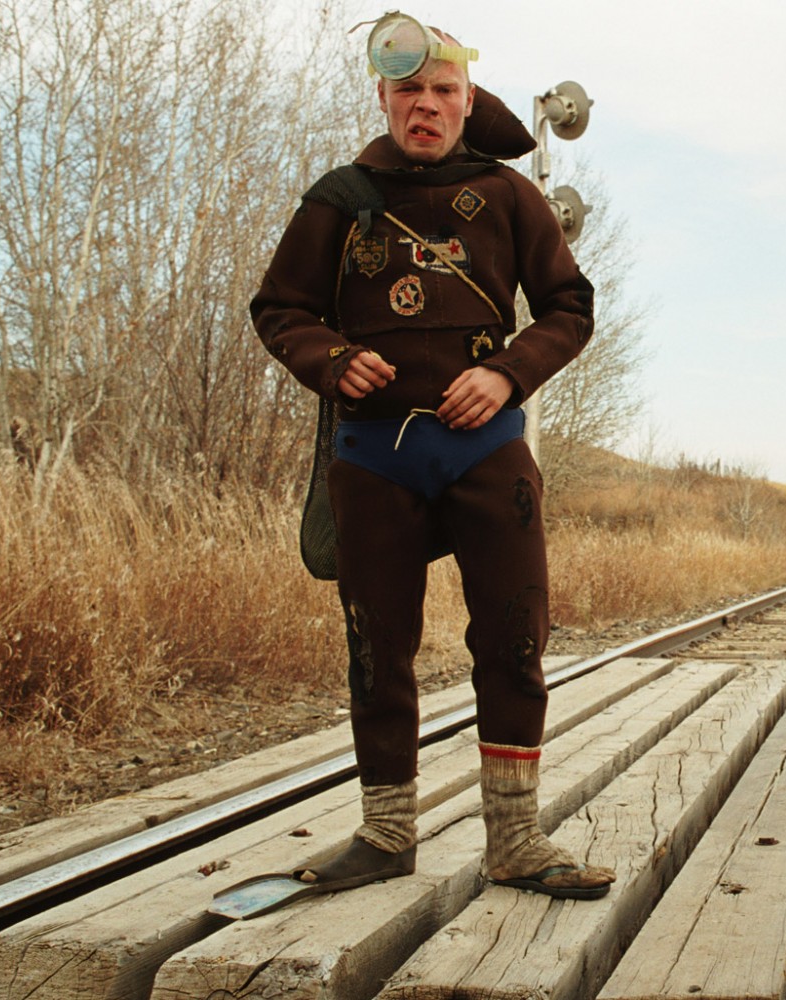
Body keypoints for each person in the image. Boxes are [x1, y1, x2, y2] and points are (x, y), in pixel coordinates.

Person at [250, 15, 614, 900]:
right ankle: (386, 833)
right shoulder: (339, 196)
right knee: (377, 645)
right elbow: (280, 309)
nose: (426, 106)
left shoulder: (507, 194)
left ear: (467, 102)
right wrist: (333, 362)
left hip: (487, 453)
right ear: (382, 97)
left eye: (443, 91)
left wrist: (508, 374)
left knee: (514, 635)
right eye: (408, 91)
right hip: (372, 457)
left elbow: (569, 305)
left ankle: (517, 839)